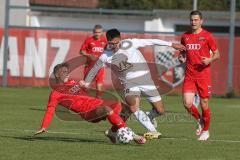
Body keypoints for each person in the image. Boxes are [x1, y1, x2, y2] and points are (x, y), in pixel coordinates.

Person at [80, 28, 186, 140]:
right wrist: (86, 82)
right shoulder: (106, 55)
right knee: (133, 107)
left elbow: (152, 41)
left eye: (117, 43)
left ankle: (135, 122)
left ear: (120, 39)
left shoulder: (130, 43)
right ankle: (153, 131)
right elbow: (94, 69)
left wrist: (172, 44)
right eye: (112, 43)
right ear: (108, 42)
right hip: (129, 83)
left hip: (146, 79)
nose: (115, 46)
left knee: (160, 111)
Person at [34, 63, 146, 144]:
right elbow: (50, 109)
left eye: (67, 71)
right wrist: (44, 126)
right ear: (57, 75)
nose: (67, 73)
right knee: (107, 110)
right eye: (64, 72)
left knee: (127, 108)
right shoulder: (55, 93)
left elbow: (84, 94)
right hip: (88, 113)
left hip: (98, 104)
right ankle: (132, 135)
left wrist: (84, 86)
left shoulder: (73, 82)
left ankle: (113, 132)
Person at [178, 10, 220, 141]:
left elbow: (217, 54)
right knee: (187, 103)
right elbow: (183, 53)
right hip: (190, 75)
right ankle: (200, 120)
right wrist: (181, 57)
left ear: (201, 21)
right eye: (191, 20)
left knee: (204, 103)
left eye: (196, 20)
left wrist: (209, 60)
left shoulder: (208, 36)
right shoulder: (185, 36)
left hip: (203, 75)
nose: (193, 22)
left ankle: (206, 131)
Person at [80, 24, 107, 98]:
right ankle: (83, 101)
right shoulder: (89, 40)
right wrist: (90, 56)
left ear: (102, 32)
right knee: (86, 85)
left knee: (99, 84)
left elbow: (109, 51)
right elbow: (82, 51)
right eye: (96, 32)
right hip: (89, 66)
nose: (97, 34)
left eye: (99, 32)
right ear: (93, 32)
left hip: (100, 66)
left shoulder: (105, 41)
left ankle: (99, 101)